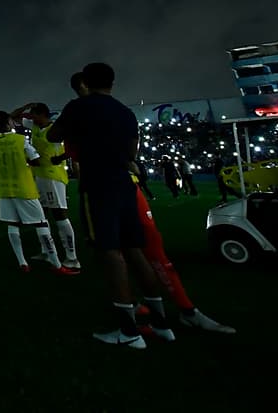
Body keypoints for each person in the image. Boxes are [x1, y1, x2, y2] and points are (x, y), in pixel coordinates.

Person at [49, 64, 173, 348]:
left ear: (85, 82)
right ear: (112, 82)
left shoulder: (78, 107)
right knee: (134, 250)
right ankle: (161, 323)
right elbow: (132, 152)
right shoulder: (125, 112)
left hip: (98, 184)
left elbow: (52, 136)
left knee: (110, 252)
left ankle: (128, 331)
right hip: (124, 183)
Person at [125, 163, 236, 334]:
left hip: (118, 187)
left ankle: (179, 313)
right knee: (124, 252)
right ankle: (143, 309)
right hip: (117, 184)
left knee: (133, 251)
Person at [0, 110, 71, 273]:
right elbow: (35, 160)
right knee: (41, 222)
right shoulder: (20, 140)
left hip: (3, 189)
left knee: (12, 224)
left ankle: (23, 262)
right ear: (9, 122)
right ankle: (56, 263)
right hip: (24, 187)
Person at [12, 102, 80, 269]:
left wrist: (61, 157)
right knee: (41, 214)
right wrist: (27, 106)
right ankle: (47, 251)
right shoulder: (35, 126)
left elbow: (76, 144)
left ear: (42, 114)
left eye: (33, 114)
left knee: (59, 214)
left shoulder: (56, 129)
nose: (31, 118)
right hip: (38, 176)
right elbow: (13, 116)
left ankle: (72, 257)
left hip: (53, 177)